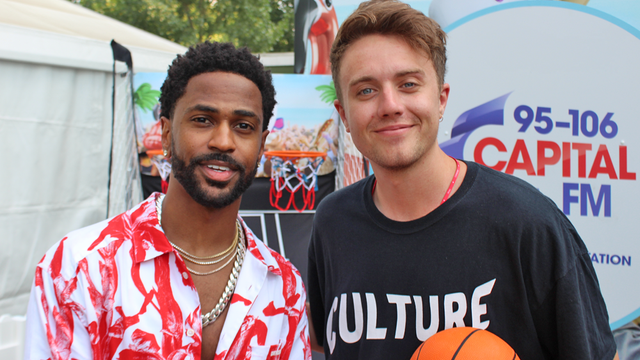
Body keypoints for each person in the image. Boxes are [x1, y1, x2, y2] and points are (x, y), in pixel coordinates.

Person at [306, 1, 619, 360]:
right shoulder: (333, 222)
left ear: (441, 100)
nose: (390, 104)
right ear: (344, 115)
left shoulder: (528, 225)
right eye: (366, 90)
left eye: (408, 84)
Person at [24, 42, 311, 360]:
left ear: (261, 146)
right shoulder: (80, 268)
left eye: (243, 126)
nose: (223, 141)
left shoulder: (284, 287)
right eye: (203, 120)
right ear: (165, 134)